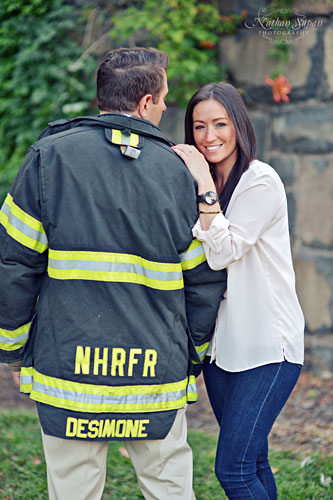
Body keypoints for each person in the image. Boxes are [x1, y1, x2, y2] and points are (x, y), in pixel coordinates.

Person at [0, 49, 227, 500]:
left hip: (68, 371)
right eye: (162, 98)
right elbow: (203, 281)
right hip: (155, 373)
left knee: (73, 491)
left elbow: (15, 265)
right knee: (169, 489)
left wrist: (12, 350)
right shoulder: (181, 172)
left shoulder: (49, 157)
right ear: (145, 103)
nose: (165, 108)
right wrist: (192, 355)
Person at [172, 82, 304, 500]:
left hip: (268, 349)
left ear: (238, 125)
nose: (209, 137)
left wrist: (202, 186)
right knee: (254, 462)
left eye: (219, 124)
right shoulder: (205, 181)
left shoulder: (259, 181)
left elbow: (223, 252)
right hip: (222, 351)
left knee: (234, 470)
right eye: (198, 126)